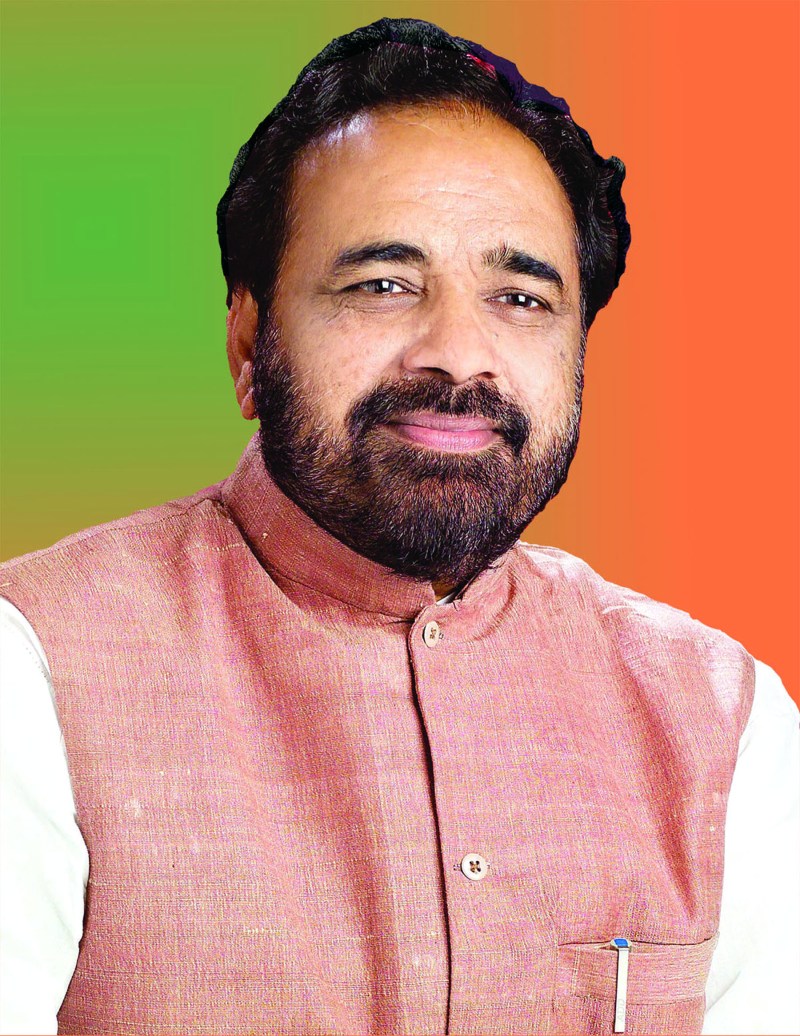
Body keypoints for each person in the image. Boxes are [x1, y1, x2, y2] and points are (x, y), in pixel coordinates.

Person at [0, 16, 797, 1036]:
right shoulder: (36, 673)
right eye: (381, 285)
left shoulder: (722, 723)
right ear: (248, 341)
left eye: (521, 297)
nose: (457, 353)